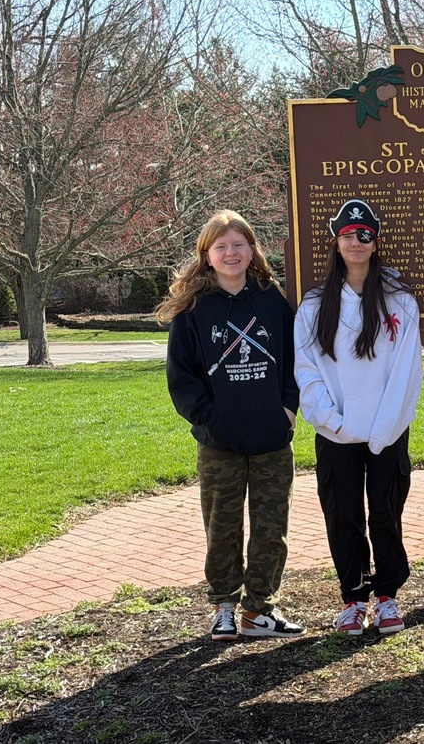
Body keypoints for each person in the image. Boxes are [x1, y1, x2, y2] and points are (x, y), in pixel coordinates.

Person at [156, 209, 305, 641]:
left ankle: (259, 610)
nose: (231, 252)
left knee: (271, 528)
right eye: (221, 246)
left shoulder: (272, 300)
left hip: (271, 438)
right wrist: (209, 418)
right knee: (222, 527)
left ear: (252, 249)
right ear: (207, 255)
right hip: (219, 442)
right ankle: (224, 605)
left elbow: (296, 362)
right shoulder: (193, 309)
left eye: (239, 244)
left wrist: (289, 408)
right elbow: (181, 378)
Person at [294, 199, 423, 636]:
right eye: (348, 234)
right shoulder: (314, 306)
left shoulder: (399, 302)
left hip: (388, 431)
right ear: (336, 240)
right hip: (336, 431)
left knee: (386, 512)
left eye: (365, 234)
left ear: (376, 241)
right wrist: (332, 421)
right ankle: (353, 598)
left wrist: (384, 429)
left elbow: (406, 371)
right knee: (343, 513)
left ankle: (387, 596)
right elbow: (306, 369)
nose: (356, 242)